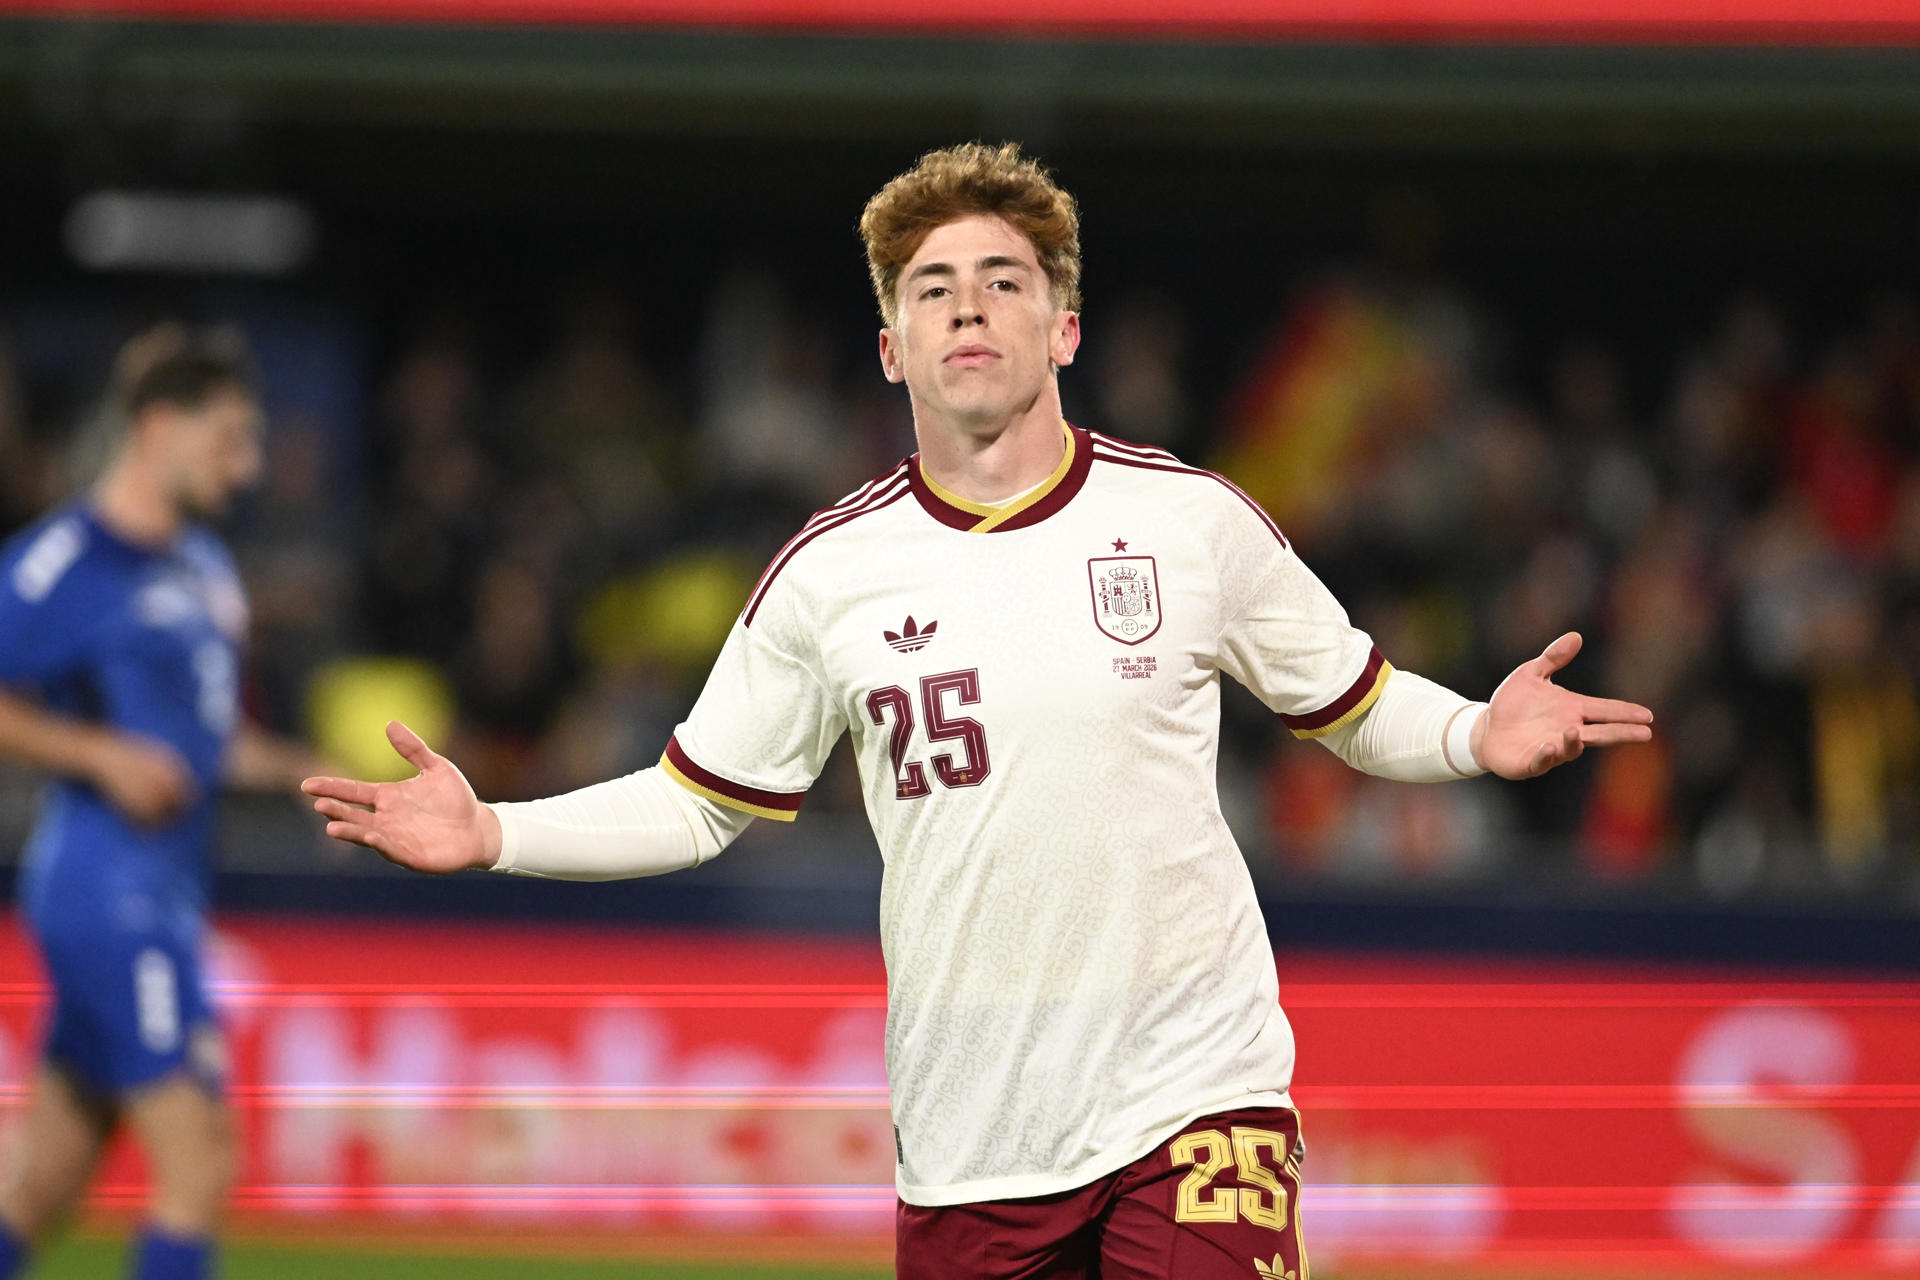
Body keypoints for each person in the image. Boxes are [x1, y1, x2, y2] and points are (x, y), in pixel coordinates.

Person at [303, 143, 1653, 1280]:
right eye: (932, 290)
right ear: (890, 348)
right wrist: (496, 834)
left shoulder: (1186, 524)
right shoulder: (829, 575)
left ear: (1062, 327)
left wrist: (1476, 729)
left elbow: (1350, 702)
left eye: (1003, 283)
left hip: (1194, 1092)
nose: (968, 311)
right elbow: (694, 800)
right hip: (972, 1139)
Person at [0, 325, 319, 1280]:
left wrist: (324, 778)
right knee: (199, 1155)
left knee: (46, 1180)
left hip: (167, 896)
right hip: (105, 893)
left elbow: (210, 742)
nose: (248, 464)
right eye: (229, 438)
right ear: (158, 426)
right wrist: (95, 753)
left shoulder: (206, 571)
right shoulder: (60, 563)